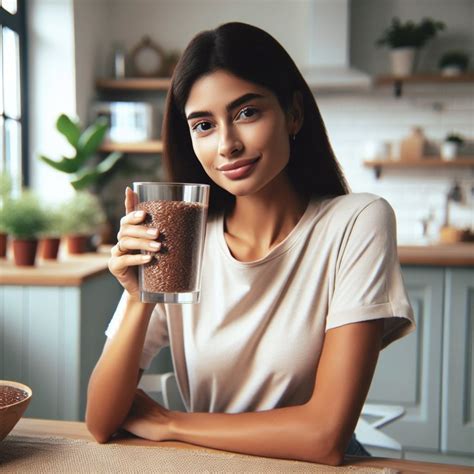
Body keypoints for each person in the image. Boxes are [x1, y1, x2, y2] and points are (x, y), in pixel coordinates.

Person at [86, 22, 415, 466]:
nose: (227, 145)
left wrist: (172, 423)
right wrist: (139, 295)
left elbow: (325, 438)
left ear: (293, 114)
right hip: (211, 461)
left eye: (247, 113)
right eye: (204, 125)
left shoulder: (356, 222)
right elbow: (101, 422)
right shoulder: (182, 239)